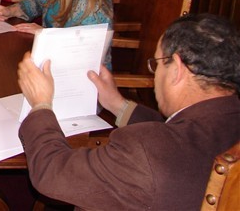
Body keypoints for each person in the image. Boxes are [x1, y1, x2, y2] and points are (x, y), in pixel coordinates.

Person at [17, 13, 240, 210]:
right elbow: (176, 131)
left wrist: (41, 105)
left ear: (178, 70)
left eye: (158, 64)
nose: (154, 76)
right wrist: (117, 104)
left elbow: (53, 173)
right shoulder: (225, 119)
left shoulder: (145, 152)